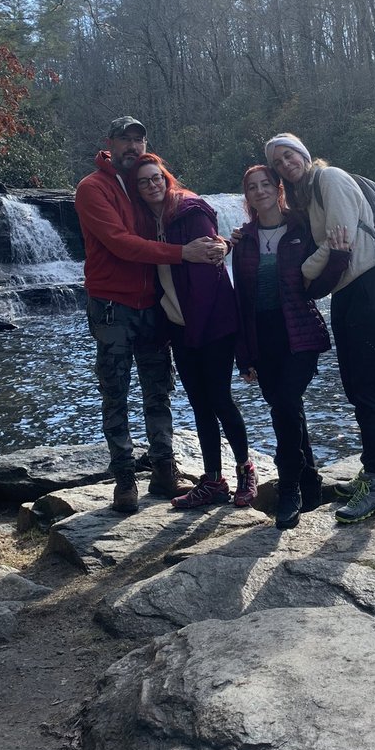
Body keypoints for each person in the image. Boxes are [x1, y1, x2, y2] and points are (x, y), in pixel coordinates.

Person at [74, 116, 223, 514]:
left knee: (159, 392)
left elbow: (182, 208)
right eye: (124, 140)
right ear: (109, 143)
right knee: (115, 393)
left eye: (138, 140)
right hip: (112, 307)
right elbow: (121, 243)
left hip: (153, 307)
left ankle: (163, 471)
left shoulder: (144, 183)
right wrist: (182, 254)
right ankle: (124, 479)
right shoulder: (92, 189)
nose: (132, 147)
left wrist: (220, 240)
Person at [264, 133, 375, 524]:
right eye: (280, 163)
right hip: (348, 290)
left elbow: (343, 238)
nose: (287, 165)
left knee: (368, 385)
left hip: (367, 286)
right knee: (356, 385)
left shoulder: (332, 178)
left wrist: (302, 272)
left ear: (303, 154)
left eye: (290, 157)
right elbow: (331, 244)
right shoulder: (308, 193)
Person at [127, 153, 257, 510]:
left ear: (166, 178)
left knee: (219, 399)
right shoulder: (147, 221)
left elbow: (207, 274)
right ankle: (213, 480)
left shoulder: (190, 209)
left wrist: (223, 246)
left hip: (212, 323)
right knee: (200, 405)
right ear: (137, 189)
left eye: (156, 177)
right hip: (181, 326)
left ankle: (246, 470)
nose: (152, 185)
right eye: (143, 181)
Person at [231, 165, 350, 530]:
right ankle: (311, 483)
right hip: (262, 339)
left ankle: (290, 490)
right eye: (252, 187)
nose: (260, 191)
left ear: (278, 188)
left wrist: (341, 256)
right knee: (288, 408)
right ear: (247, 196)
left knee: (284, 403)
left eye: (266, 183)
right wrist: (243, 356)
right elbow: (241, 301)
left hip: (299, 334)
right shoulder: (244, 239)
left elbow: (315, 286)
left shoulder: (301, 226)